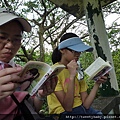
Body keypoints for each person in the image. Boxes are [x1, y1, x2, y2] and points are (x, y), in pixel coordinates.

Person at [0, 7, 58, 120]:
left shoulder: (22, 72)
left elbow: (31, 109)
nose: (10, 45)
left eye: (16, 39)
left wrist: (41, 95)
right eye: (2, 37)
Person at [47, 33, 108, 120]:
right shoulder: (54, 72)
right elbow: (67, 107)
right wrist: (72, 76)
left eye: (79, 51)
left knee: (100, 115)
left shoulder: (78, 70)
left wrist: (97, 83)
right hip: (62, 113)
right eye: (74, 51)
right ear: (62, 50)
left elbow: (86, 105)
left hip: (81, 109)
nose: (78, 54)